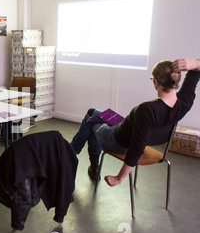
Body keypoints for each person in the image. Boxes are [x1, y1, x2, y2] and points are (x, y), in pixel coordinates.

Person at [69, 58, 200, 187]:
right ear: (176, 82)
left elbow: (137, 147)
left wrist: (119, 178)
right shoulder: (184, 103)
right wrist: (193, 64)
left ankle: (73, 154)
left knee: (91, 118)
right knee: (96, 112)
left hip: (116, 140)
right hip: (123, 126)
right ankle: (85, 161)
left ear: (156, 82)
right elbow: (196, 73)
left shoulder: (147, 110)